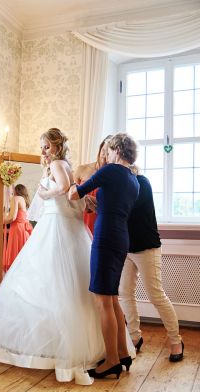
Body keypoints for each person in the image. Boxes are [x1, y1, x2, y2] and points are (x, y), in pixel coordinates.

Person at [0, 128, 110, 386]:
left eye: (46, 146)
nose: (43, 151)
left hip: (57, 226)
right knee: (53, 282)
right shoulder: (64, 165)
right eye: (42, 147)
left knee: (52, 281)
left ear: (57, 148)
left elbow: (61, 189)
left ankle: (60, 348)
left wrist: (46, 193)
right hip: (61, 224)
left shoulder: (59, 164)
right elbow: (73, 195)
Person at [69, 132, 140, 379]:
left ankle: (110, 360)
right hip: (121, 238)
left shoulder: (110, 171)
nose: (106, 155)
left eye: (108, 150)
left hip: (106, 237)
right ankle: (122, 353)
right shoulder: (134, 180)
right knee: (112, 299)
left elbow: (75, 193)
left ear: (116, 151)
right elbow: (114, 206)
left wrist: (71, 188)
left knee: (102, 299)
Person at [119, 167, 184, 361]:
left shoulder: (142, 182)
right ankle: (134, 336)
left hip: (147, 248)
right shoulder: (119, 186)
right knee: (125, 293)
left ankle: (175, 341)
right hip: (126, 249)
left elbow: (128, 207)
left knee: (156, 295)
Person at [73, 137, 111, 236]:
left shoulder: (113, 175)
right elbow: (70, 195)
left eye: (109, 152)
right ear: (100, 149)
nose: (105, 154)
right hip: (80, 220)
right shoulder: (82, 169)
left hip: (101, 222)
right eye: (104, 150)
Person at [2, 183, 33, 272]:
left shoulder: (16, 198)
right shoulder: (24, 200)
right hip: (24, 230)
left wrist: (1, 220)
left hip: (17, 230)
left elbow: (12, 217)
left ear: (16, 190)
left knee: (15, 256)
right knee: (22, 257)